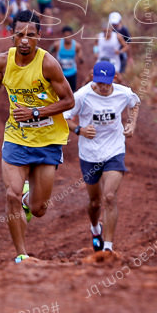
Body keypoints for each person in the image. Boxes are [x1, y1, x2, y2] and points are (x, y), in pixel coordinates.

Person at [0, 9, 75, 264]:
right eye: (19, 34)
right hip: (16, 138)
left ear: (39, 36)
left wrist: (34, 112)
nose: (24, 40)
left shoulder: (48, 64)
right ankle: (22, 255)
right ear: (12, 34)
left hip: (48, 140)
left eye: (30, 35)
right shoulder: (3, 61)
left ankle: (27, 199)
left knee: (38, 209)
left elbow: (68, 101)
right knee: (10, 194)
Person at [65, 60, 138, 253]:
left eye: (107, 83)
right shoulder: (82, 95)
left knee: (110, 196)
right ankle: (95, 228)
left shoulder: (123, 92)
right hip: (89, 153)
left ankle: (108, 247)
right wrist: (79, 129)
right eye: (100, 83)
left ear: (113, 79)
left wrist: (131, 124)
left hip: (114, 150)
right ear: (94, 80)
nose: (104, 87)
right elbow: (64, 118)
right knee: (95, 202)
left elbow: (135, 103)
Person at [51, 26, 83, 92]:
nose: (67, 38)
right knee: (59, 91)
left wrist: (80, 59)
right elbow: (49, 52)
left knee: (72, 91)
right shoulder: (57, 44)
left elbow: (81, 58)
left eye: (69, 35)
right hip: (60, 73)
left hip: (72, 72)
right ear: (63, 36)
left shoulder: (77, 46)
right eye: (65, 36)